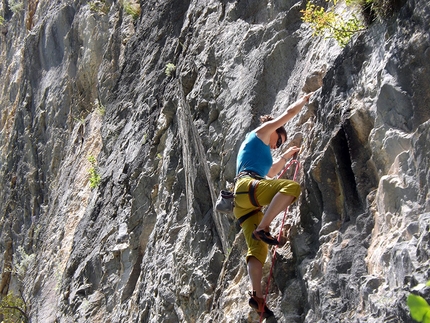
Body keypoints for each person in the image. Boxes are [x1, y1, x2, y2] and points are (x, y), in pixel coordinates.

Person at [233, 92, 313, 318]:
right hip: (247, 187)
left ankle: (257, 297)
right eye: (280, 141)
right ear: (274, 132)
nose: (279, 145)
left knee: (257, 249)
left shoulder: (259, 149)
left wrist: (286, 157)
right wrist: (302, 101)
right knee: (291, 188)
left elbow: (270, 172)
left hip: (243, 201)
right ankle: (263, 227)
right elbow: (287, 115)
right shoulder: (261, 132)